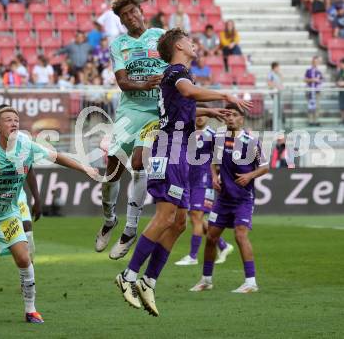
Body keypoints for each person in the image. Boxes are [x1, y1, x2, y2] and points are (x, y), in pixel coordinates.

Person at [114, 28, 252, 316]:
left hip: (181, 150)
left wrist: (209, 112)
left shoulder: (178, 75)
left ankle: (149, 281)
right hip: (170, 148)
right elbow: (187, 92)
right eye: (189, 40)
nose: (193, 43)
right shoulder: (177, 72)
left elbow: (183, 104)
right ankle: (127, 276)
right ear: (179, 45)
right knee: (166, 216)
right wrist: (223, 95)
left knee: (178, 222)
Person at [0, 104, 96, 323]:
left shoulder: (25, 145)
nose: (13, 123)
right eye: (7, 119)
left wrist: (85, 168)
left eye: (16, 119)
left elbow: (57, 157)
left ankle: (30, 310)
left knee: (24, 258)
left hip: (6, 214)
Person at [94, 0, 168, 260]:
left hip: (153, 113)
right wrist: (145, 84)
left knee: (139, 164)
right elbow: (123, 82)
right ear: (121, 21)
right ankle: (109, 219)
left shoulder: (161, 36)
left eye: (133, 11)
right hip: (129, 111)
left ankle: (130, 229)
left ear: (141, 11)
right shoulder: (119, 44)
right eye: (124, 15)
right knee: (111, 172)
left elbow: (178, 64)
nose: (130, 17)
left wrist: (167, 78)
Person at [190, 104, 269, 293]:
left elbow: (265, 166)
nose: (231, 118)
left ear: (242, 119)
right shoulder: (219, 139)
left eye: (235, 115)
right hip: (223, 199)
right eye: (228, 115)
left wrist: (250, 176)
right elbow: (213, 161)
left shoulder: (251, 141)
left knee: (240, 236)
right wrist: (214, 175)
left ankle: (251, 282)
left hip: (243, 199)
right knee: (211, 237)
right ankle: (206, 280)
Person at [175, 112, 234, 266]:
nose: (200, 118)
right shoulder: (187, 134)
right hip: (188, 180)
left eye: (203, 116)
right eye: (197, 115)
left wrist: (219, 175)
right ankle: (223, 245)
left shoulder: (212, 136)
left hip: (204, 179)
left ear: (208, 117)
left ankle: (193, 256)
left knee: (196, 215)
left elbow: (221, 157)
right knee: (196, 218)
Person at [304, 56, 324, 126]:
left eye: (317, 62)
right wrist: (313, 80)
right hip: (310, 90)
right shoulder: (308, 70)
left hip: (316, 91)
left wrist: (318, 81)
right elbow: (305, 79)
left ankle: (316, 120)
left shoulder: (319, 71)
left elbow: (321, 80)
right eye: (314, 62)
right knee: (310, 106)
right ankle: (310, 120)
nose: (316, 63)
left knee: (317, 106)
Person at [336, 58, 344, 124]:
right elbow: (337, 80)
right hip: (341, 91)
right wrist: (338, 83)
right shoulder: (340, 71)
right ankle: (342, 119)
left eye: (341, 64)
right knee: (341, 105)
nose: (340, 65)